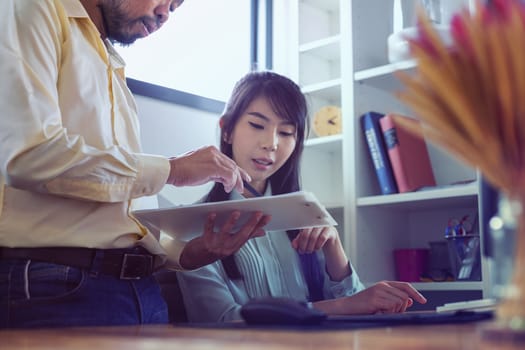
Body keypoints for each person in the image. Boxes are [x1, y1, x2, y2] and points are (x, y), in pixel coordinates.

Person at [0, 0, 271, 329]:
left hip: (139, 291)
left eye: (175, 7)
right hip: (61, 285)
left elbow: (117, 209)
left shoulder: (108, 60)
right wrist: (172, 169)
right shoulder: (34, 8)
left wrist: (184, 253)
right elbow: (31, 156)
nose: (165, 14)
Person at [175, 71, 428, 323]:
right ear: (227, 130)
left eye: (286, 132)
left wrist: (334, 248)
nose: (271, 143)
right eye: (256, 125)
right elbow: (222, 321)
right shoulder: (194, 226)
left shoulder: (305, 214)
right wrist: (344, 305)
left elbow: (358, 307)